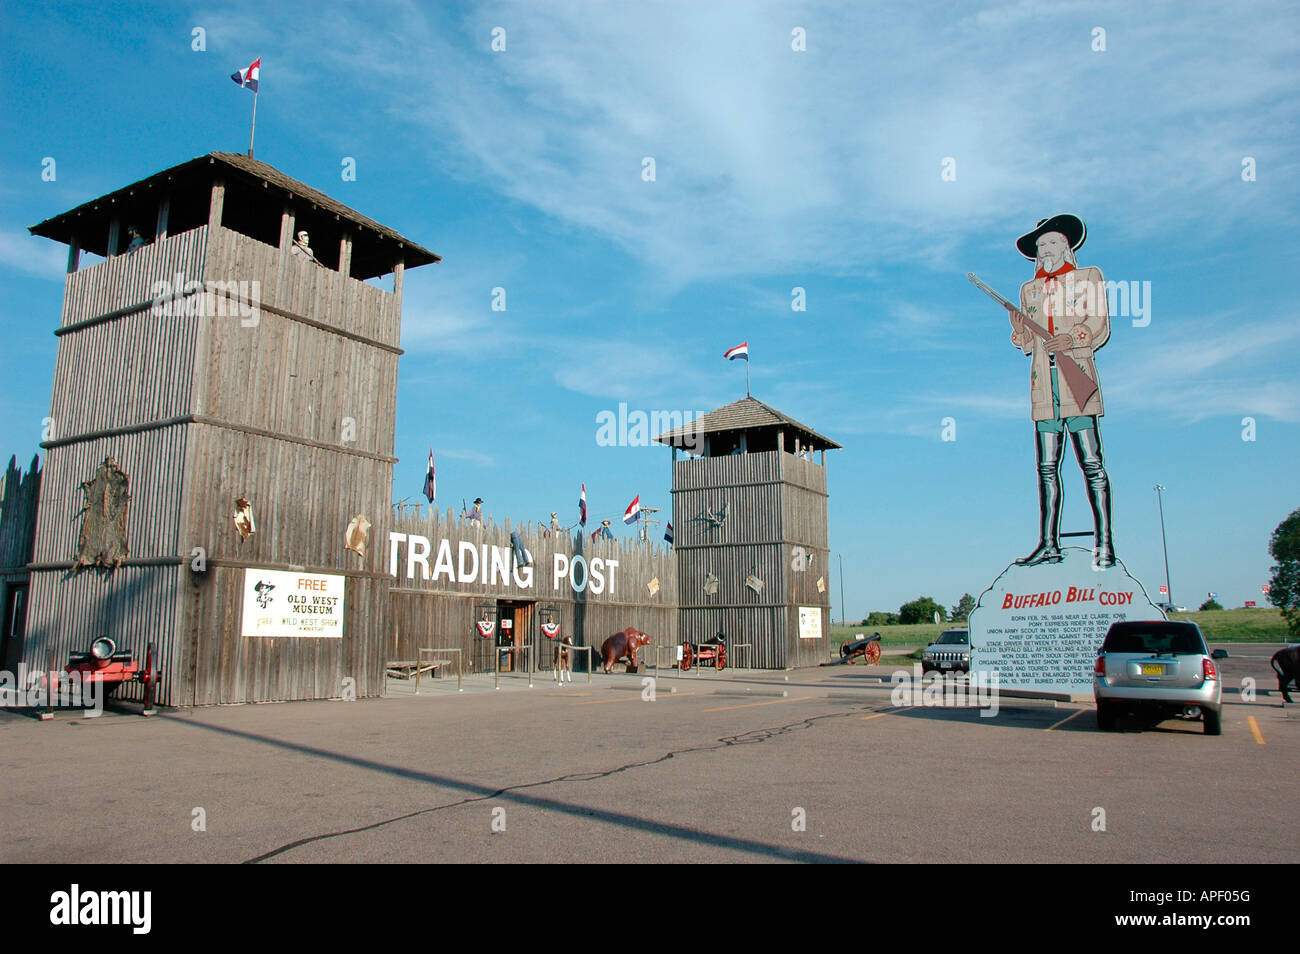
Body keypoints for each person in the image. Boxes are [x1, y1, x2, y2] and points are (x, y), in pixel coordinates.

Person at [1006, 214, 1115, 568]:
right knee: (1047, 468)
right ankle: (1048, 544)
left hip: (1076, 380)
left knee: (1092, 464)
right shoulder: (1030, 290)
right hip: (1044, 385)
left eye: (1052, 242)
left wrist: (1071, 338)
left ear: (1066, 245)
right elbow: (1025, 344)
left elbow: (1098, 323)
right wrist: (1019, 326)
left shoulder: (1088, 278)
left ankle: (1104, 543)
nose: (1046, 249)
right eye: (1040, 246)